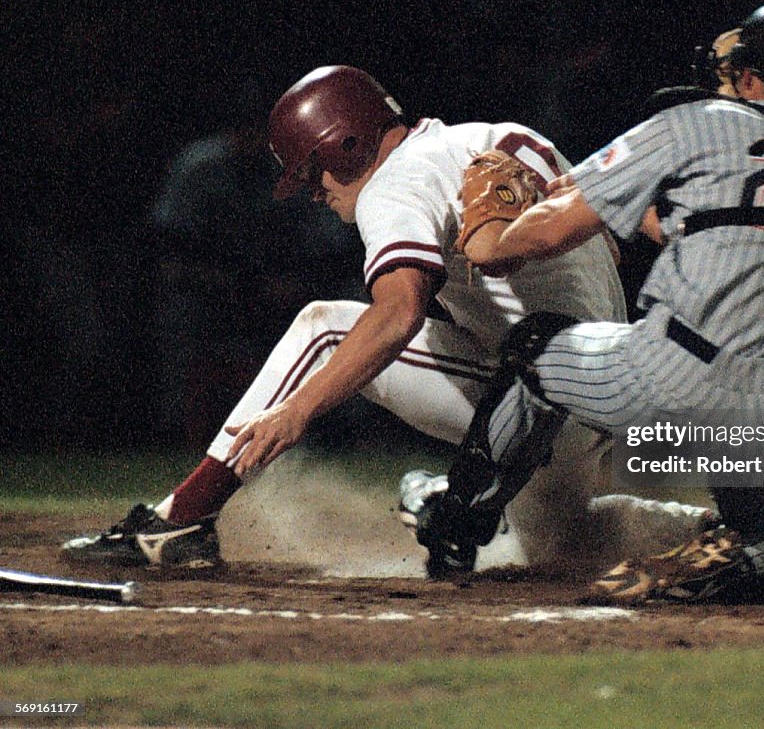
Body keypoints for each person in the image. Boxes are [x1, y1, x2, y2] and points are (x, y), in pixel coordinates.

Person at [61, 65, 712, 570]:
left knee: (325, 326)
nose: (313, 190)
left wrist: (299, 407)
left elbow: (398, 312)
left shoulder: (396, 180)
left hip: (545, 397)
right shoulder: (486, 139)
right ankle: (712, 531)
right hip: (597, 386)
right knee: (566, 546)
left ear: (343, 143)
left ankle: (183, 516)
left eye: (312, 171)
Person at [401, 0, 764, 602]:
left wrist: (488, 236)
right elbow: (747, 244)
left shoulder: (699, 120)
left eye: (737, 72)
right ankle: (743, 557)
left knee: (533, 348)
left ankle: (455, 526)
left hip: (675, 374)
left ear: (753, 77)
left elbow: (533, 239)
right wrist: (632, 202)